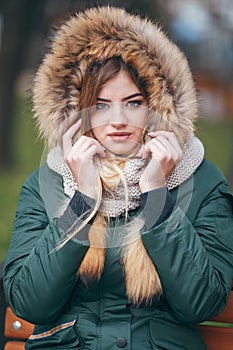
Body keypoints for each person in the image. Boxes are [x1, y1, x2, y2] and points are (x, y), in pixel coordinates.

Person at [3, 6, 233, 350]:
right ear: (76, 109)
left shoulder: (200, 178)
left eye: (134, 102)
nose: (119, 120)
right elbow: (30, 302)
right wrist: (81, 199)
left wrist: (157, 195)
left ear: (159, 104)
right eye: (100, 104)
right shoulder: (49, 180)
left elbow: (200, 303)